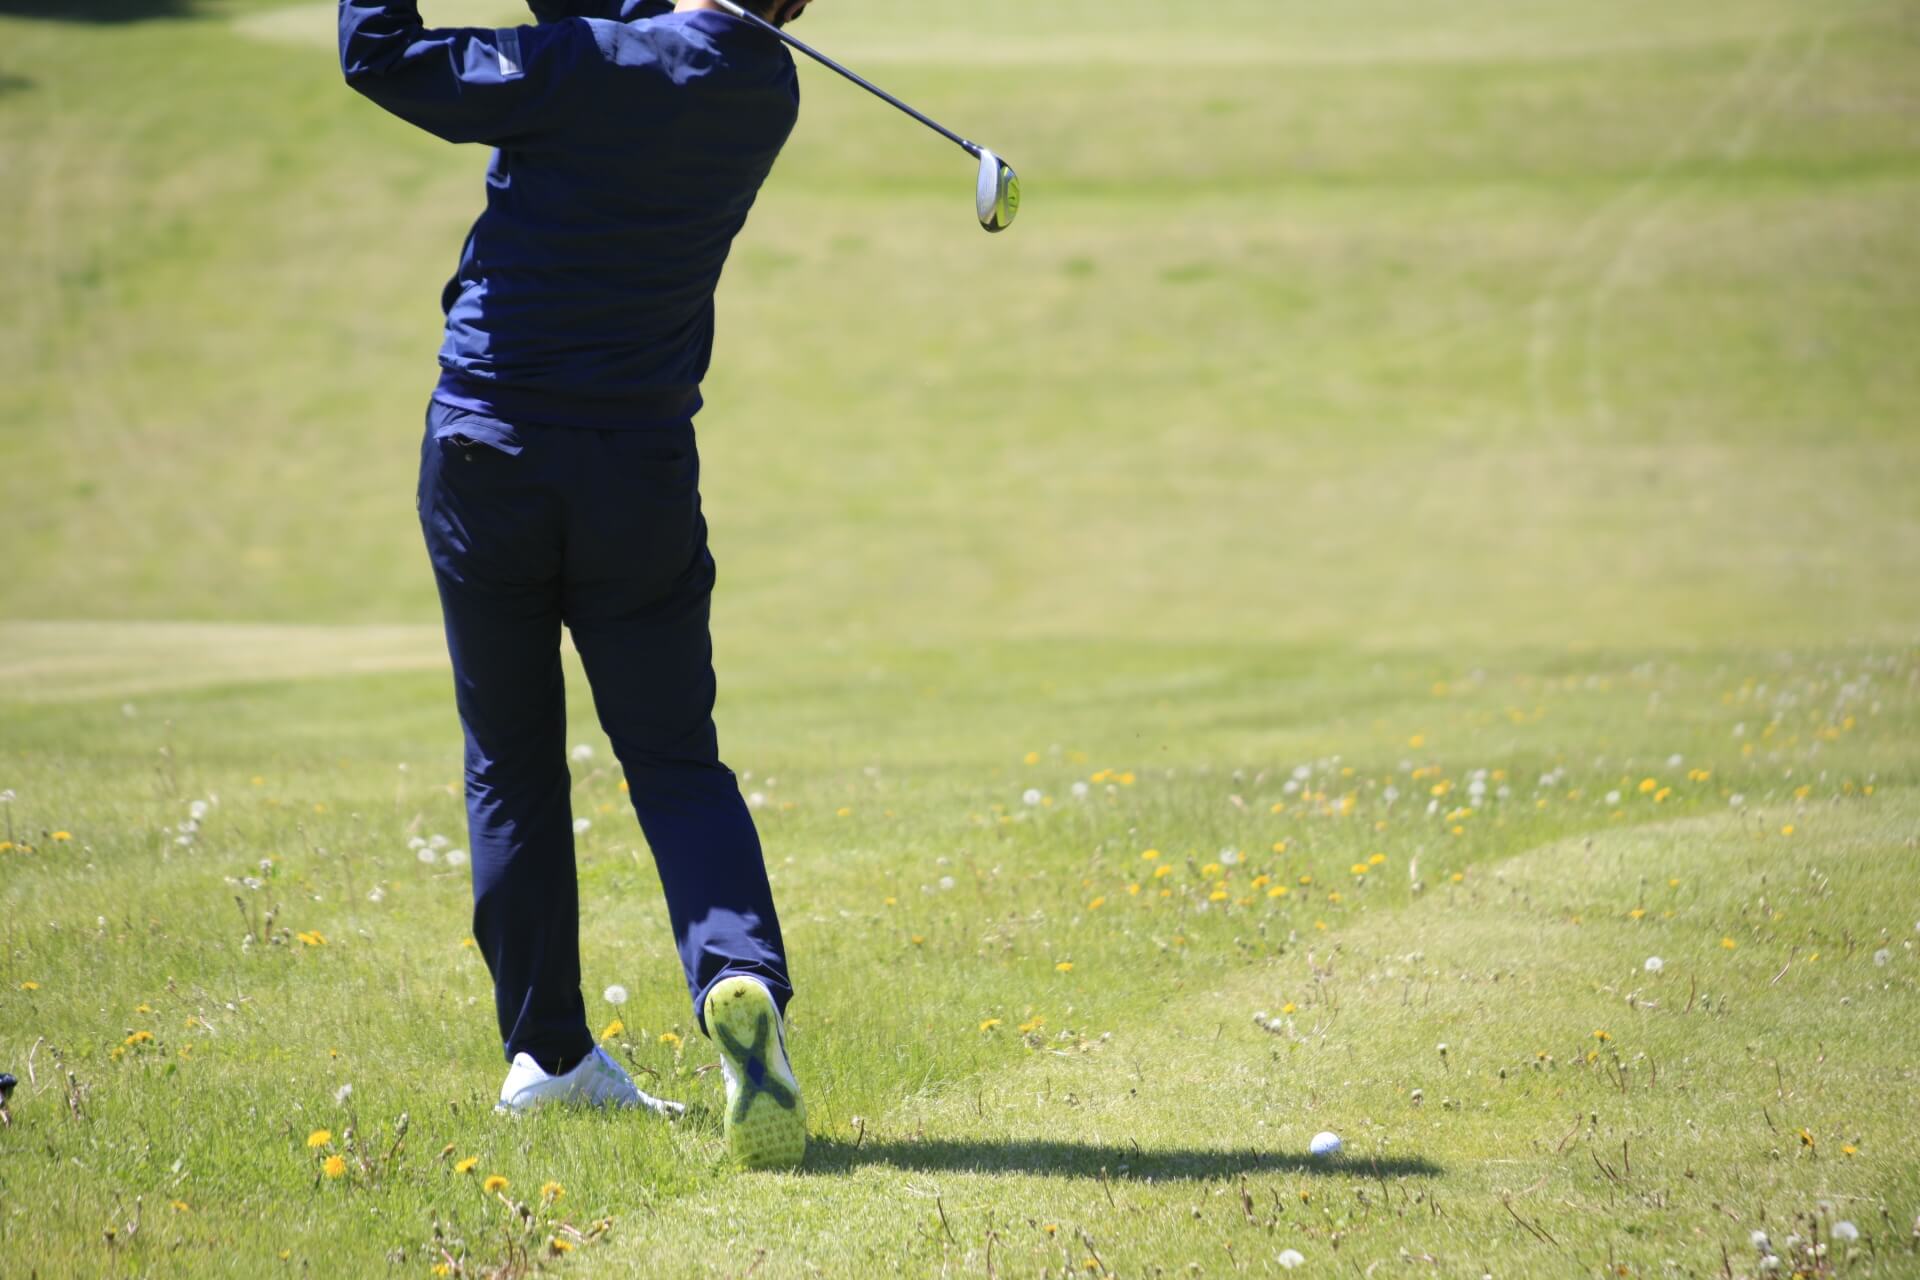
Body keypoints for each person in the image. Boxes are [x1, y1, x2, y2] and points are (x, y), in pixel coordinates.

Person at [339, 0, 812, 1168]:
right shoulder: (765, 87)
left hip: (490, 448)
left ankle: (548, 1052)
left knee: (510, 758)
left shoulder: (586, 62)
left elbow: (380, 56)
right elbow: (628, 37)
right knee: (676, 757)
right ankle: (738, 971)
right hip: (637, 469)